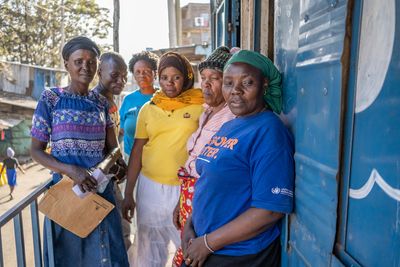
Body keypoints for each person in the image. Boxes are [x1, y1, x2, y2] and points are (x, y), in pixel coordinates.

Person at [182, 50, 295, 267]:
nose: (235, 91)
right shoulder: (230, 125)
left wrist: (207, 243)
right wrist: (191, 223)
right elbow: (211, 183)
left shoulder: (268, 131)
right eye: (228, 82)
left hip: (239, 255)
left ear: (264, 85)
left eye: (247, 82)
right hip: (206, 244)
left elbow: (270, 210)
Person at [30, 36, 128, 267]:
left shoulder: (101, 103)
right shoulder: (51, 99)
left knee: (105, 257)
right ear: (66, 63)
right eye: (78, 61)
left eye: (91, 62)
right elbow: (36, 151)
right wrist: (72, 170)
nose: (86, 66)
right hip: (68, 194)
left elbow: (112, 147)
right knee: (70, 257)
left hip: (99, 192)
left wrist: (115, 164)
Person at [122, 52, 204, 267]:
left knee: (186, 244)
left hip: (185, 189)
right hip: (150, 187)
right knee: (149, 247)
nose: (169, 82)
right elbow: (137, 151)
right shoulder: (148, 109)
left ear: (186, 77)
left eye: (176, 77)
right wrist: (129, 192)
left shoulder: (200, 106)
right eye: (164, 76)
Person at [171, 46, 235, 267]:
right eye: (203, 77)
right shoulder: (207, 111)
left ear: (228, 82)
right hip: (191, 196)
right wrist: (181, 203)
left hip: (208, 200)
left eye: (214, 78)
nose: (206, 84)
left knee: (196, 256)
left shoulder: (232, 116)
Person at [93, 51, 131, 249]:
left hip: (111, 178)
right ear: (100, 72)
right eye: (115, 75)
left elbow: (112, 142)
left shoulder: (110, 100)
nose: (121, 80)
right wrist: (116, 168)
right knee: (119, 236)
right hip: (101, 182)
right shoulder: (94, 102)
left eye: (124, 76)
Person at [119, 51, 159, 161]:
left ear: (155, 73)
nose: (142, 75)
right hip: (131, 158)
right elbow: (121, 130)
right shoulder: (128, 100)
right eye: (138, 72)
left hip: (157, 159)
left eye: (146, 71)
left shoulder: (163, 98)